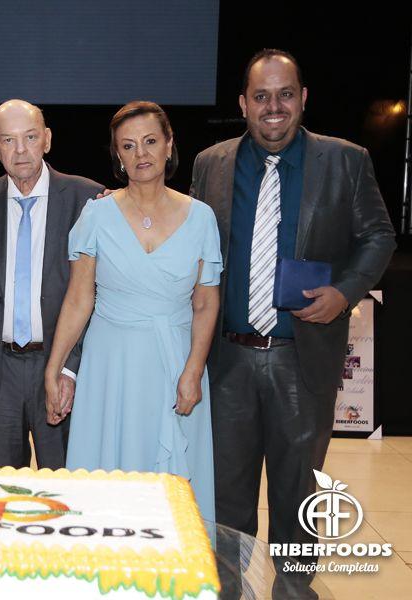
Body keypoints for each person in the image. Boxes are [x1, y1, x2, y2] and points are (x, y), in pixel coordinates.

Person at [190, 49, 395, 558]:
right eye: (261, 96)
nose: (273, 107)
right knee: (226, 496)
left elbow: (378, 235)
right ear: (243, 104)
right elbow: (188, 243)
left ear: (303, 98)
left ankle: (293, 588)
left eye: (285, 94)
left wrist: (345, 292)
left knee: (298, 494)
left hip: (303, 360)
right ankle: (231, 586)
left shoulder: (346, 160)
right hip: (227, 361)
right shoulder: (211, 164)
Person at [44, 101, 221, 521]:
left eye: (150, 141)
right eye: (128, 145)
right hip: (111, 366)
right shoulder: (96, 214)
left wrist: (194, 370)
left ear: (169, 145)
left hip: (176, 363)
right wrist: (54, 368)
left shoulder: (201, 218)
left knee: (173, 491)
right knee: (110, 477)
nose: (141, 153)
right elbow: (78, 299)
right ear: (118, 156)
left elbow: (205, 302)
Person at [0, 99, 103, 468]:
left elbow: (98, 295)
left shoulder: (87, 199)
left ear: (47, 140)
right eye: (8, 140)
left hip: (59, 366)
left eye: (31, 137)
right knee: (3, 488)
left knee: (64, 485)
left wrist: (70, 369)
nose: (20, 150)